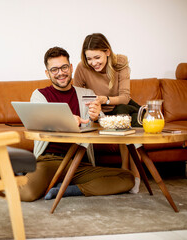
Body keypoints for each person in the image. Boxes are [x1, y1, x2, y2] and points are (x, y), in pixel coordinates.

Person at [18, 46, 135, 202]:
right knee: (26, 194)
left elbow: (103, 126)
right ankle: (49, 182)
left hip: (80, 163)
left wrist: (96, 118)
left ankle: (68, 190)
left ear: (71, 67)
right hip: (50, 161)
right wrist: (66, 122)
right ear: (47, 73)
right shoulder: (40, 95)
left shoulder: (86, 94)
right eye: (54, 69)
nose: (60, 73)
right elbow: (39, 123)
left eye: (64, 67)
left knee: (127, 178)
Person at [73, 33, 141, 193]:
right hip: (101, 112)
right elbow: (77, 95)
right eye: (89, 58)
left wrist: (105, 99)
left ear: (107, 52)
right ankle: (126, 172)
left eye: (97, 57)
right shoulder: (82, 67)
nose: (93, 63)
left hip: (122, 106)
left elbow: (125, 97)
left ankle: (135, 174)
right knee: (121, 118)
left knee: (125, 116)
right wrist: (94, 108)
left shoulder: (121, 62)